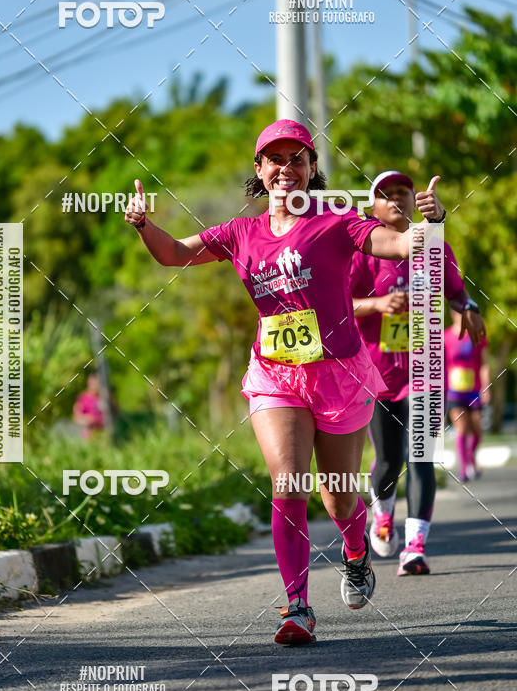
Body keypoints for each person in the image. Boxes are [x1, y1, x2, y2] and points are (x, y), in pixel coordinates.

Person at [125, 121, 446, 646]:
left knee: (338, 498)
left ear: (312, 169)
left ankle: (356, 550)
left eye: (297, 159)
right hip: (276, 376)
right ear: (259, 171)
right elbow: (174, 254)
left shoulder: (337, 223)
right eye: (274, 160)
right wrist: (143, 225)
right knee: (288, 484)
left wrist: (427, 225)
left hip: (339, 375)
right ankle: (296, 606)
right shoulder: (239, 233)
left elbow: (396, 243)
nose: (286, 169)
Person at [350, 170, 486, 576]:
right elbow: (338, 304)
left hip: (425, 369)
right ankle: (383, 512)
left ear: (414, 199)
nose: (395, 199)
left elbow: (457, 291)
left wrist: (471, 309)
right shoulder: (361, 250)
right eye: (385, 194)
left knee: (422, 457)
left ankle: (415, 547)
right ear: (372, 206)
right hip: (375, 373)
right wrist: (377, 305)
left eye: (402, 192)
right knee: (389, 461)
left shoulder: (433, 243)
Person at [445, 308, 490, 481]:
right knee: (462, 429)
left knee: (477, 427)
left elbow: (484, 364)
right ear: (452, 314)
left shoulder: (477, 335)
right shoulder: (445, 337)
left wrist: (486, 387)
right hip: (454, 392)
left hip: (474, 390)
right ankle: (464, 469)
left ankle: (471, 455)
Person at [73, 372, 107, 438]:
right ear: (88, 382)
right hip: (88, 432)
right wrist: (88, 419)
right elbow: (76, 417)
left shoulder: (103, 397)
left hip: (102, 432)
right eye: (92, 382)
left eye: (96, 382)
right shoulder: (83, 398)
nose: (94, 385)